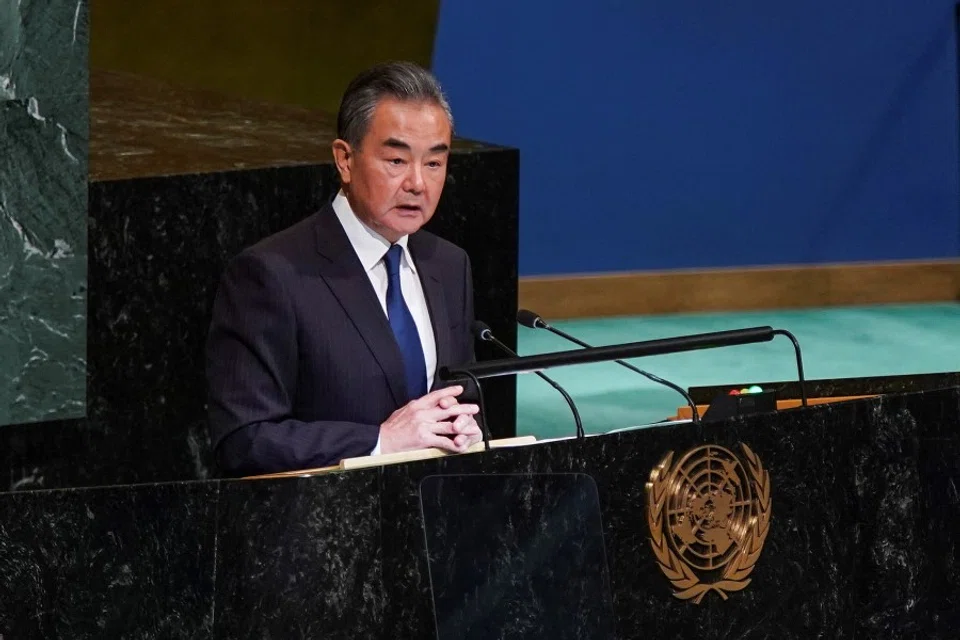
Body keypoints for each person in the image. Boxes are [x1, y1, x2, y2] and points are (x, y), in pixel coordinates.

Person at [205, 61, 483, 476]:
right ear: (345, 160)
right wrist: (379, 442)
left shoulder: (448, 264)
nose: (417, 184)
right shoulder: (272, 274)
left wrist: (466, 430)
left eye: (433, 163)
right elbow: (245, 439)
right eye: (396, 160)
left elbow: (460, 398)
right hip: (324, 512)